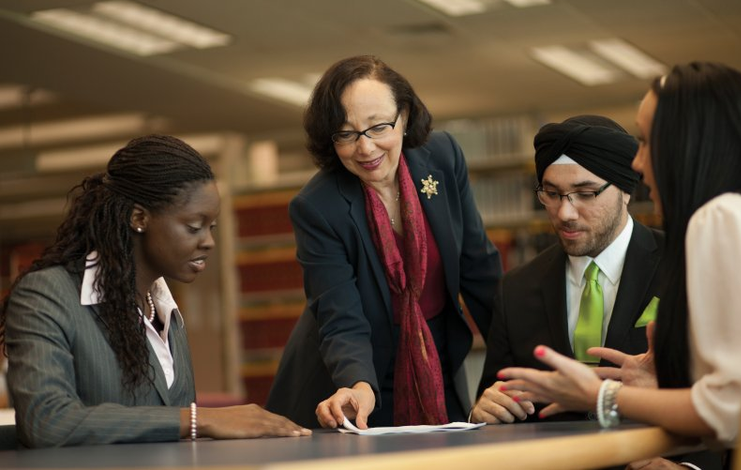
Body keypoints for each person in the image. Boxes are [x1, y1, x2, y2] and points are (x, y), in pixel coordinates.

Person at [498, 62, 741, 468]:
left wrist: (599, 396)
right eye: (551, 194)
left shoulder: (718, 218)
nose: (637, 163)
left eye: (647, 141)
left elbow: (729, 409)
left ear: (686, 144)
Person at [0, 134, 310, 448]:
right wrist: (199, 419)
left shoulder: (163, 308)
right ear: (139, 218)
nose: (208, 241)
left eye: (211, 227)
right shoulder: (46, 295)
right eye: (193, 226)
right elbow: (47, 421)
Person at [265, 55, 502, 429]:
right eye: (346, 134)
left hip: (434, 355)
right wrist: (358, 385)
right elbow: (340, 316)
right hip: (353, 374)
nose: (366, 148)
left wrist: (520, 360)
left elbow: (479, 269)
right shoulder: (317, 206)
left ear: (404, 116)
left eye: (378, 127)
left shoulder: (442, 157)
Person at [472, 115, 664, 425]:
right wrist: (482, 411)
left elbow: (726, 395)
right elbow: (495, 398)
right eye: (552, 194)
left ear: (626, 190)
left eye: (585, 194)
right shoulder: (516, 289)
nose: (565, 213)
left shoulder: (684, 265)